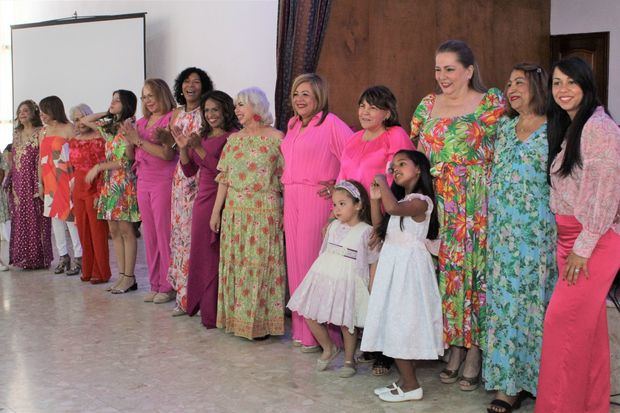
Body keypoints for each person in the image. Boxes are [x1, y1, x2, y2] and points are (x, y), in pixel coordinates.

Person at [410, 40, 505, 390]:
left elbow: (505, 151)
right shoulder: (427, 105)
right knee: (448, 275)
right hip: (440, 204)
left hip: (478, 204)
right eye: (438, 68)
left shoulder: (491, 102)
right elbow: (418, 159)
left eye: (450, 69)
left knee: (476, 276)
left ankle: (476, 349)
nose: (442, 76)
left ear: (468, 70)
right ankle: (453, 346)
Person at [535, 57, 620, 413]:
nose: (563, 90)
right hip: (571, 240)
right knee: (586, 332)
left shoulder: (598, 127)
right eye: (557, 83)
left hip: (593, 241)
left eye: (571, 82)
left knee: (561, 328)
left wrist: (583, 249)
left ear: (587, 85)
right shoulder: (572, 126)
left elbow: (605, 192)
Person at [483, 64, 557, 413]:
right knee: (504, 307)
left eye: (519, 83)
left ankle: (539, 381)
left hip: (537, 234)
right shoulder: (504, 127)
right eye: (509, 82)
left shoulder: (556, 129)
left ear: (538, 87)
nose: (511, 89)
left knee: (533, 307)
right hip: (501, 234)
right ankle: (507, 384)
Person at [361, 150, 443, 402]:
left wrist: (383, 181)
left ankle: (412, 385)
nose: (395, 169)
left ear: (418, 169)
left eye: (402, 164)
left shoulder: (422, 201)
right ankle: (405, 381)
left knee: (402, 322)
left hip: (408, 270)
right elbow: (381, 226)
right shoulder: (402, 203)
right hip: (393, 265)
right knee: (391, 319)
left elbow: (394, 208)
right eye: (393, 165)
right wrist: (375, 199)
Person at [281, 73, 353, 352]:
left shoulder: (331, 124)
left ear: (319, 97)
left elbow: (353, 155)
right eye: (296, 93)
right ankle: (303, 331)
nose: (299, 99)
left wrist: (338, 186)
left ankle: (324, 336)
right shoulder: (292, 124)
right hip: (292, 196)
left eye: (306, 94)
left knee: (313, 264)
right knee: (296, 263)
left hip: (316, 199)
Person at [212, 87, 285, 340]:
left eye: (241, 104)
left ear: (257, 106)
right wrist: (216, 212)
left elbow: (285, 178)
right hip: (235, 213)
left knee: (260, 267)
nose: (237, 110)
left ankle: (261, 325)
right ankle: (236, 320)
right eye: (236, 106)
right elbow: (224, 178)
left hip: (264, 213)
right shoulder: (233, 140)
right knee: (237, 265)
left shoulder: (277, 138)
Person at [287, 180, 378, 378]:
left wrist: (371, 285)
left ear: (358, 204)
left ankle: (349, 359)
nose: (336, 209)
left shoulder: (366, 231)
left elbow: (372, 261)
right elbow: (324, 252)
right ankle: (328, 347)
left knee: (347, 321)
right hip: (326, 274)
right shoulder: (333, 226)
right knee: (309, 311)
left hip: (349, 279)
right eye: (334, 204)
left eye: (342, 204)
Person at [173, 90, 240, 328]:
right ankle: (206, 308)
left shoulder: (233, 137)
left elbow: (223, 171)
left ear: (226, 111)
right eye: (207, 111)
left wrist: (198, 148)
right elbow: (190, 171)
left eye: (215, 110)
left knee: (217, 255)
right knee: (202, 253)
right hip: (202, 201)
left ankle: (218, 312)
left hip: (223, 200)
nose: (211, 115)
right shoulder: (202, 136)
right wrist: (183, 147)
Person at [120, 79, 177, 302]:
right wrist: (128, 141)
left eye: (151, 96)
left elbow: (167, 155)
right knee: (150, 235)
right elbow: (130, 157)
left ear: (161, 95)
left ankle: (168, 284)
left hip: (164, 180)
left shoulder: (171, 118)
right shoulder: (141, 122)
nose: (147, 101)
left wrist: (138, 140)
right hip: (143, 180)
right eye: (144, 97)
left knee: (164, 234)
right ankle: (155, 283)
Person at [81, 90, 140, 293]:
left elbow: (126, 161)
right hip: (110, 184)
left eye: (117, 100)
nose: (113, 103)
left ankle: (129, 277)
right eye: (112, 100)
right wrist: (107, 111)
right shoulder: (110, 126)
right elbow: (86, 120)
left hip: (123, 184)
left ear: (127, 104)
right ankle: (122, 276)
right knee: (113, 231)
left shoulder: (129, 126)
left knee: (126, 231)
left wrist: (99, 167)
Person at [166, 67, 213, 316]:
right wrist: (166, 139)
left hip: (200, 174)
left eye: (196, 82)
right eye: (186, 81)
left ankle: (196, 296)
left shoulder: (205, 114)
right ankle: (182, 295)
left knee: (194, 235)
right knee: (181, 235)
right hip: (180, 176)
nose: (190, 86)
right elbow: (174, 148)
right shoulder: (176, 113)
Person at [337, 85, 413, 192]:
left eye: (373, 108)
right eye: (362, 106)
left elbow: (401, 176)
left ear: (387, 114)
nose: (365, 112)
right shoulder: (353, 139)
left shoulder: (395, 134)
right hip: (353, 207)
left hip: (381, 205)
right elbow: (342, 177)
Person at [38, 96, 83, 275]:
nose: (41, 115)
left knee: (71, 219)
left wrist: (75, 181)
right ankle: (63, 256)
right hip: (49, 180)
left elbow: (77, 155)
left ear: (53, 110)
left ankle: (79, 257)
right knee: (55, 220)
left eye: (44, 111)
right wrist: (40, 183)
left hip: (66, 178)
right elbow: (40, 159)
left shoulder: (68, 128)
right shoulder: (43, 131)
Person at [68, 104, 111, 284]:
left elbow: (104, 168)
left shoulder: (100, 137)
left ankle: (101, 272)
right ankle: (87, 269)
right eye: (76, 120)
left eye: (82, 118)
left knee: (98, 232)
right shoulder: (73, 139)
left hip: (95, 187)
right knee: (83, 231)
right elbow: (73, 167)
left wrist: (100, 193)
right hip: (78, 188)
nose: (79, 122)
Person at [7, 100, 52, 269]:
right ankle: (22, 258)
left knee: (36, 217)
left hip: (34, 180)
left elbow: (42, 158)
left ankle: (37, 259)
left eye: (25, 110)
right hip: (18, 182)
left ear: (33, 113)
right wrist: (10, 180)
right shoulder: (16, 134)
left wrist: (40, 183)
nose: (22, 113)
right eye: (20, 111)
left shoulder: (41, 132)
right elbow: (14, 159)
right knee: (20, 218)